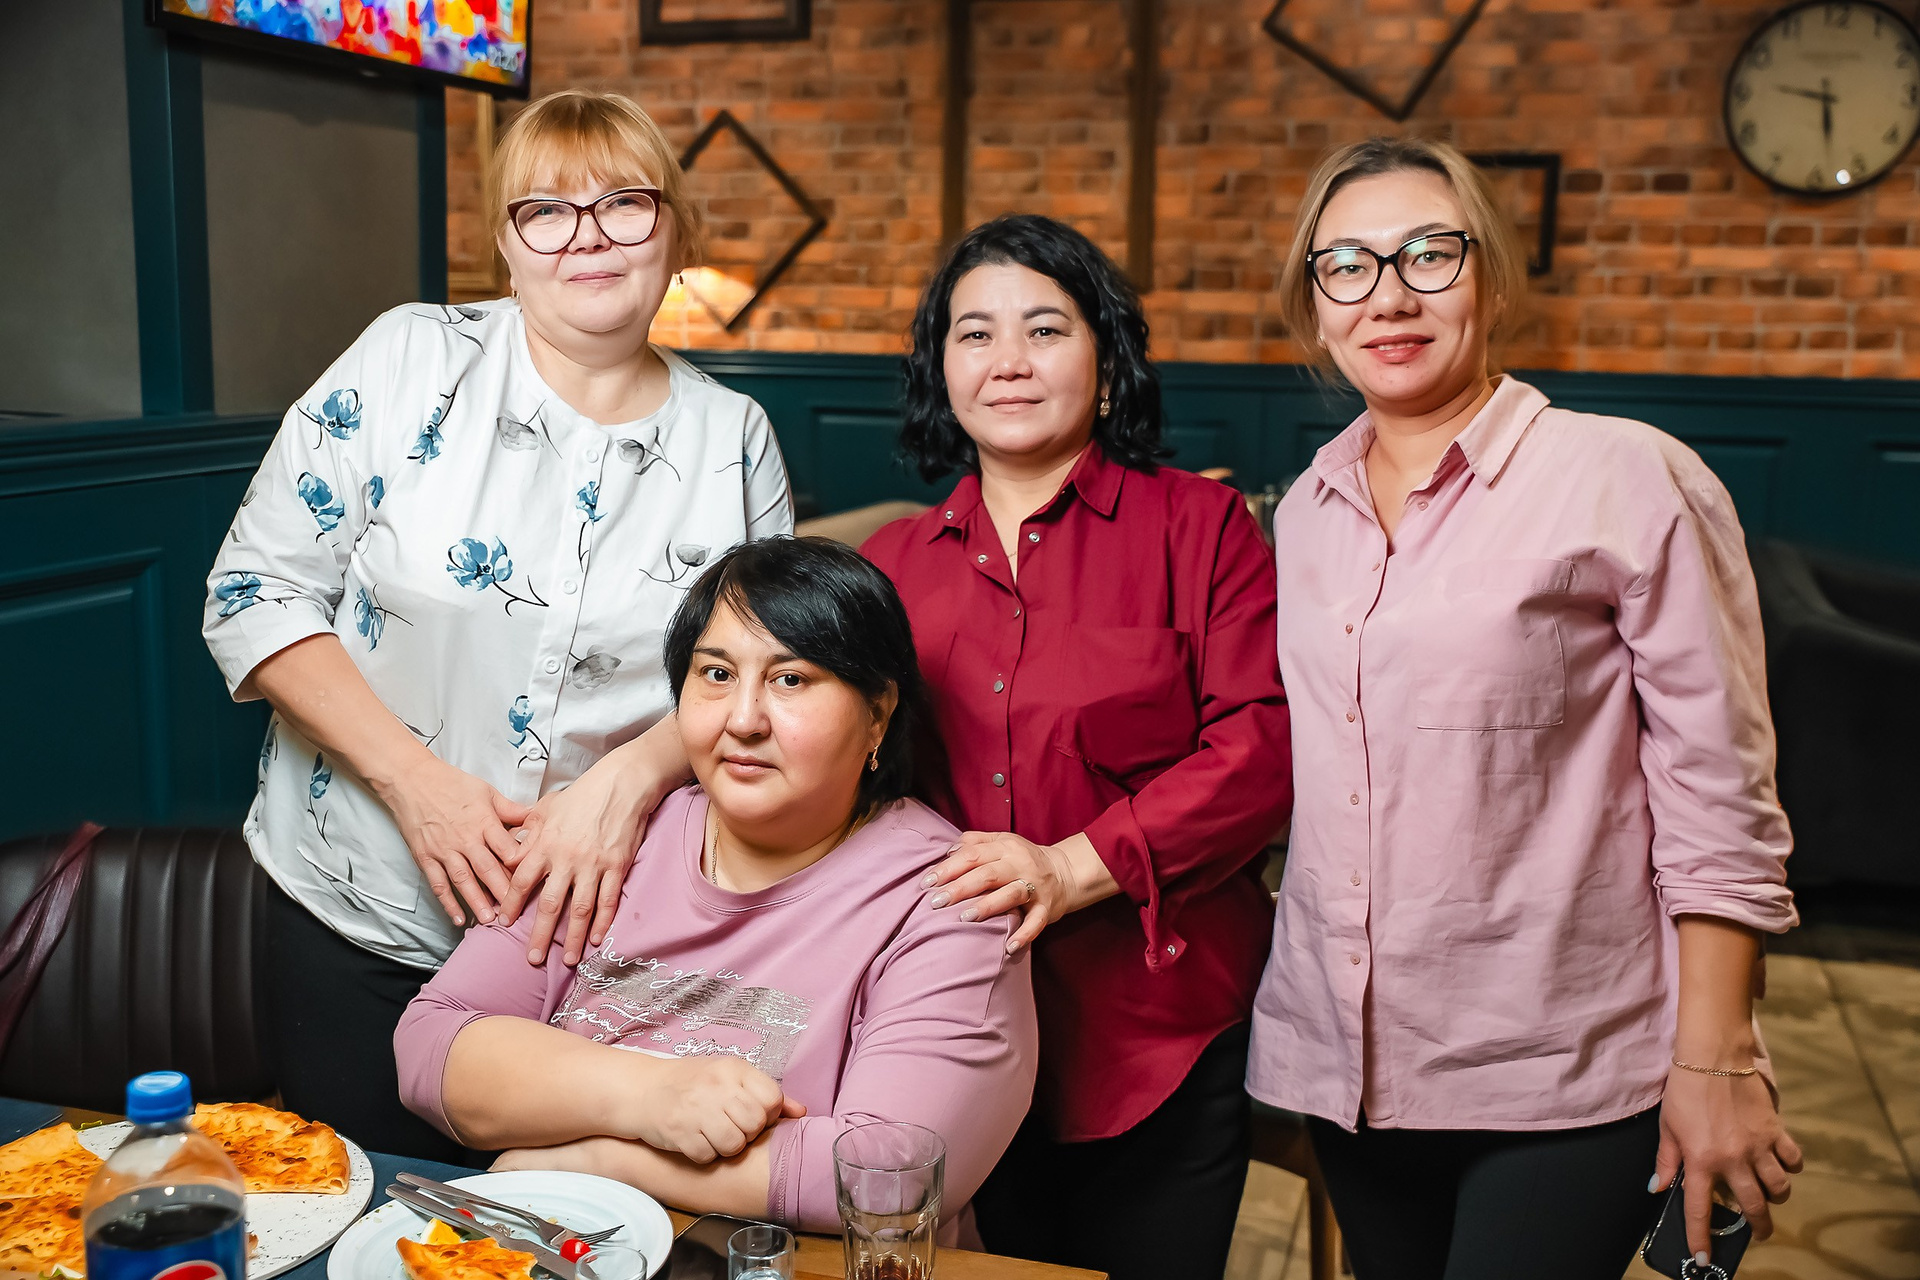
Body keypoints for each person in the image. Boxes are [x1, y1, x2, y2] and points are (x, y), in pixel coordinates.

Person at [1248, 136, 1803, 1280]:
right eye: (1346, 265)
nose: (1388, 295)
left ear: (1491, 277)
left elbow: (1720, 792)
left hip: (1564, 1062)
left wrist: (1717, 1056)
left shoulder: (1626, 475)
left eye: (1429, 254)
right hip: (1353, 1065)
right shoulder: (1306, 510)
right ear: (1315, 305)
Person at [201, 89, 791, 1160]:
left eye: (625, 204)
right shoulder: (409, 360)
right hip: (364, 907)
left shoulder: (735, 437)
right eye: (547, 211)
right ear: (507, 249)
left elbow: (754, 674)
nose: (589, 237)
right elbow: (255, 591)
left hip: (598, 936)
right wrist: (414, 784)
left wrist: (631, 777)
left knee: (572, 1225)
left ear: (675, 232)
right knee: (370, 1203)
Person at [860, 215, 1294, 1280]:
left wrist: (1070, 866)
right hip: (942, 1029)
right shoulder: (888, 565)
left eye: (1045, 329)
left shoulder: (1203, 529)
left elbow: (1263, 748)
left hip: (1157, 1027)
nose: (1007, 360)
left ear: (1106, 365)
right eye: (975, 334)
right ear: (942, 371)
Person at [394, 537, 1037, 1237]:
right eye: (717, 674)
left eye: (791, 680)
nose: (744, 720)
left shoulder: (951, 895)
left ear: (878, 712)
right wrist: (652, 1097)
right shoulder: (605, 839)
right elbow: (434, 1047)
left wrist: (600, 1161)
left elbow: (893, 1173)